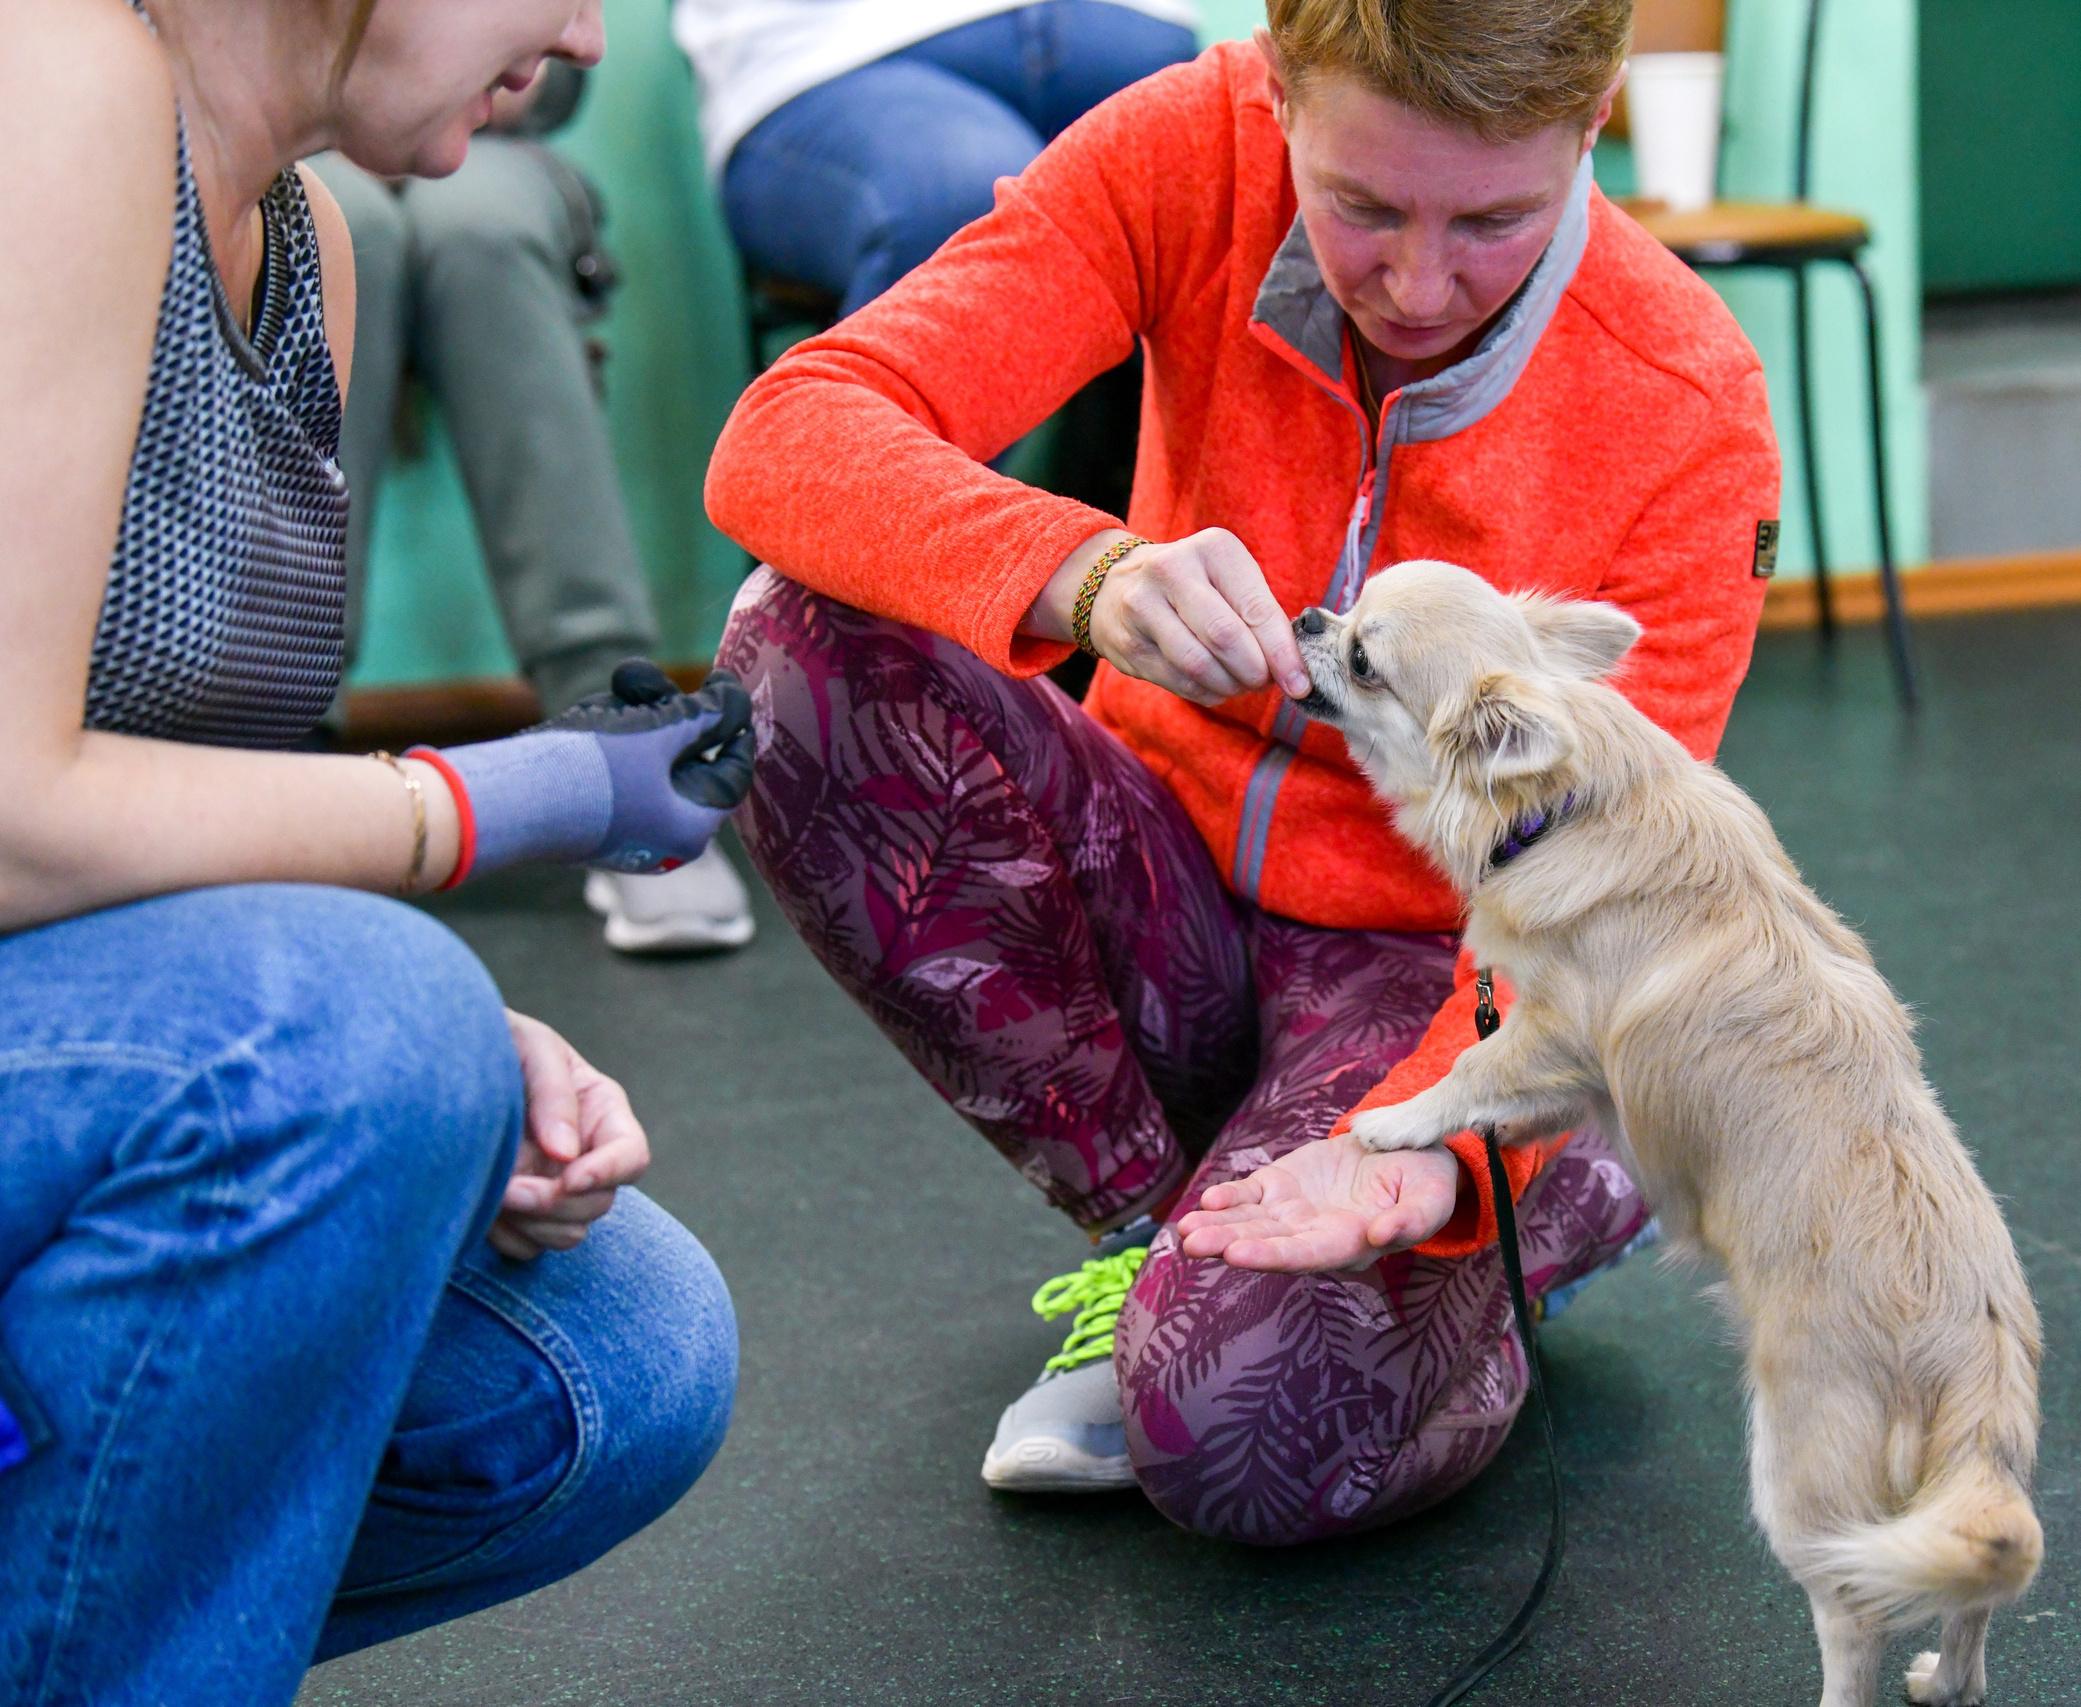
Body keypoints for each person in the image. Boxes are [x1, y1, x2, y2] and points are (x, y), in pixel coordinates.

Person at [706, 0, 1781, 1542]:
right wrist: (1077, 569)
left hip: (1442, 979)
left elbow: (1607, 922)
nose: (1419, 282)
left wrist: (1438, 1164)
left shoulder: (1690, 406)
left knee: (1232, 1432)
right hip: (1170, 890)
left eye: (1492, 219)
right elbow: (786, 437)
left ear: (1596, 112)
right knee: (792, 650)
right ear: (1278, 83)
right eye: (1358, 205)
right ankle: (1165, 1234)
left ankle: (1539, 1201)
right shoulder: (1188, 144)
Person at [2, 0, 755, 1696]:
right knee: (361, 1020)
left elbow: (188, 833)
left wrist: (461, 1056)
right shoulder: (49, 70)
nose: (581, 33)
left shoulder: (313, 244)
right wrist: (522, 797)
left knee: (618, 1359)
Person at [309, 64, 757, 957]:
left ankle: (619, 733)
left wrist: (463, 74)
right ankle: (282, 741)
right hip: (294, 143)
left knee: (482, 228)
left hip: (478, 141)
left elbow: (559, 63)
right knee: (337, 229)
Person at [675, 0, 1200, 321]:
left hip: (1133, 27)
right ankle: (889, 499)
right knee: (974, 205)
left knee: (1244, 176)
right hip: (826, 56)